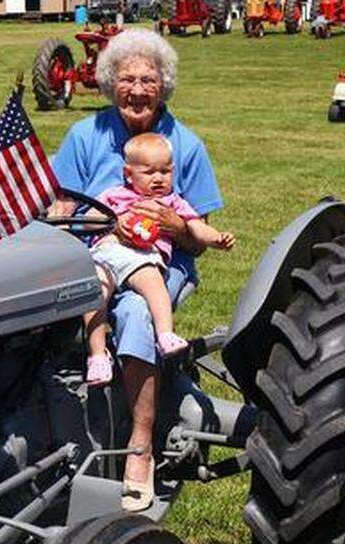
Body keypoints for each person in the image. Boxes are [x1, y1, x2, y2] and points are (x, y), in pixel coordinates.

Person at [50, 28, 224, 511]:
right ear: (110, 83)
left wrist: (170, 222)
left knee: (134, 314)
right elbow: (62, 210)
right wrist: (101, 227)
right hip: (95, 255)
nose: (138, 90)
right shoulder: (85, 135)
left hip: (162, 262)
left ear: (163, 85)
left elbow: (199, 240)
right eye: (127, 79)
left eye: (149, 79)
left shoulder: (185, 146)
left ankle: (140, 445)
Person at [85, 132, 234, 387]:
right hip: (107, 252)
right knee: (93, 294)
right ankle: (97, 355)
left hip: (141, 257)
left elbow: (196, 226)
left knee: (155, 284)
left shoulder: (172, 202)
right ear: (128, 174)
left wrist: (216, 238)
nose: (158, 178)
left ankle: (165, 334)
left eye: (165, 172)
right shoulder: (114, 196)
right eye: (149, 172)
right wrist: (113, 222)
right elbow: (90, 218)